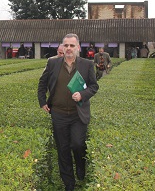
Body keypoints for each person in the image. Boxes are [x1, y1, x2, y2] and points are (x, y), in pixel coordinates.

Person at [37, 33, 99, 191]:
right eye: (66, 45)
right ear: (62, 48)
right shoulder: (53, 64)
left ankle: (80, 166)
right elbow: (42, 83)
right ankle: (69, 184)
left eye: (72, 45)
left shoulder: (86, 64)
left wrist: (82, 95)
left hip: (78, 114)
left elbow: (94, 86)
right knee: (63, 149)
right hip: (58, 113)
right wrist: (42, 101)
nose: (69, 48)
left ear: (78, 47)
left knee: (78, 144)